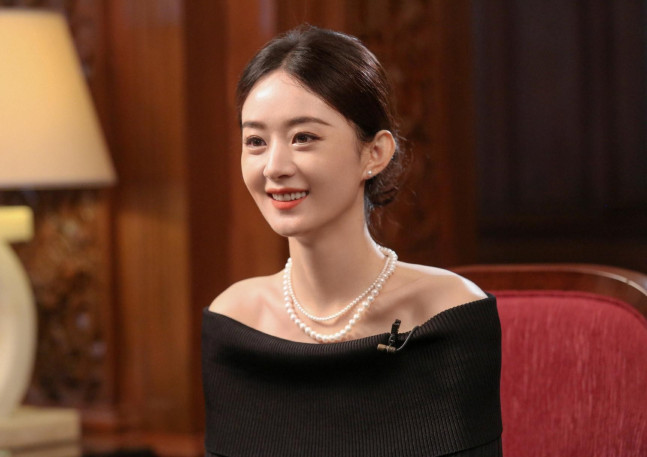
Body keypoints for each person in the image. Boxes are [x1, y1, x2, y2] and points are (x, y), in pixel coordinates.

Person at [202, 25, 502, 457]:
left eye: (304, 137)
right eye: (256, 142)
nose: (274, 166)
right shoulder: (234, 322)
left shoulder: (449, 315)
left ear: (374, 153)